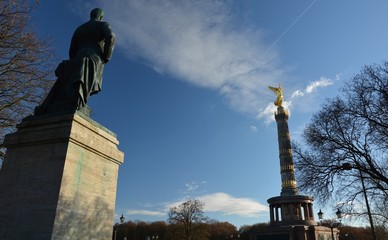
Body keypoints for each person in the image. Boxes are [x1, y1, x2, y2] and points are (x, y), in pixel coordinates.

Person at [35, 8, 115, 115]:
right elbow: (111, 36)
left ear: (91, 15)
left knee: (78, 75)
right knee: (86, 79)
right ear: (100, 17)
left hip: (79, 55)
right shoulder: (103, 24)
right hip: (94, 55)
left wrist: (74, 59)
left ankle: (75, 100)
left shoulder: (80, 28)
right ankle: (79, 101)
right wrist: (106, 56)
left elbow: (72, 48)